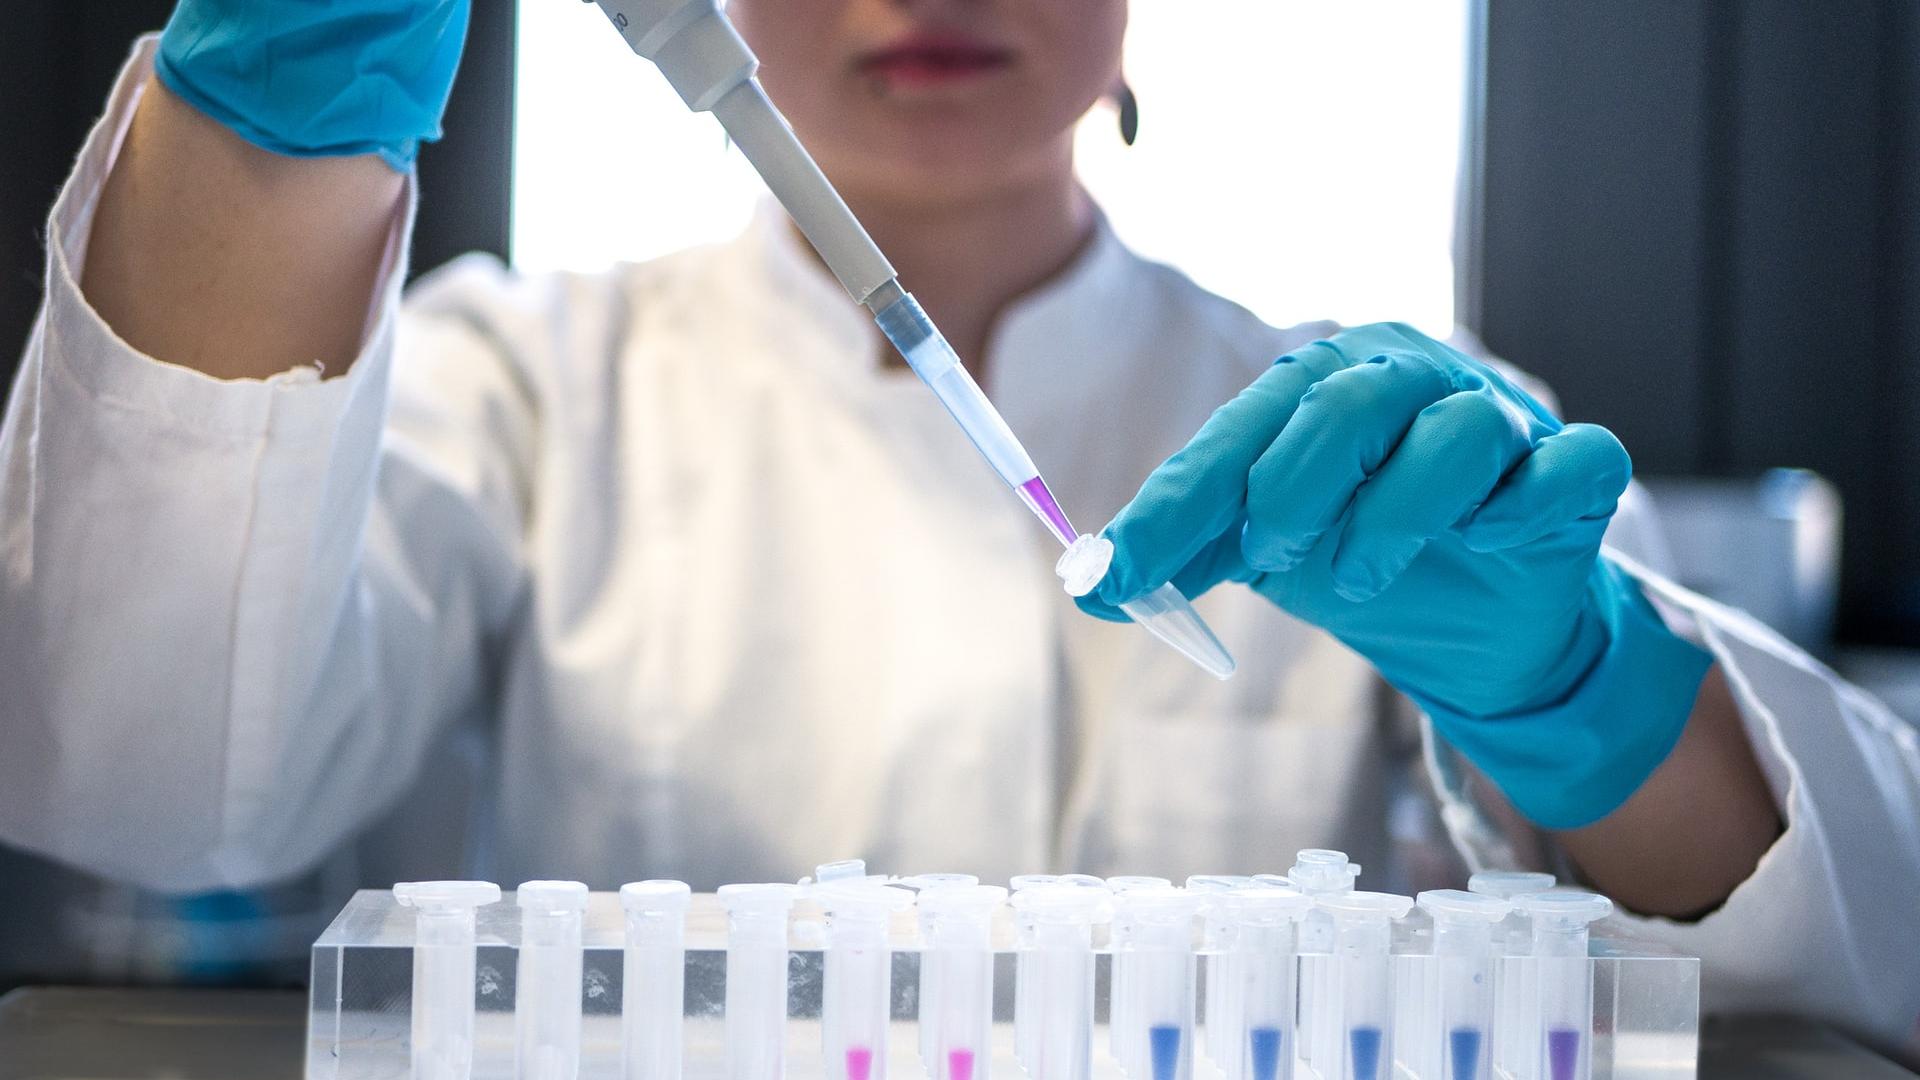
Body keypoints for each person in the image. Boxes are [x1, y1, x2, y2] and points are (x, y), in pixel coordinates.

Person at [0, 0, 1915, 1063]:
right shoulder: (523, 380)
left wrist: (1580, 698)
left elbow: (1860, 954)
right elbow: (140, 785)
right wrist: (271, 129)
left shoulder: (1358, 428)